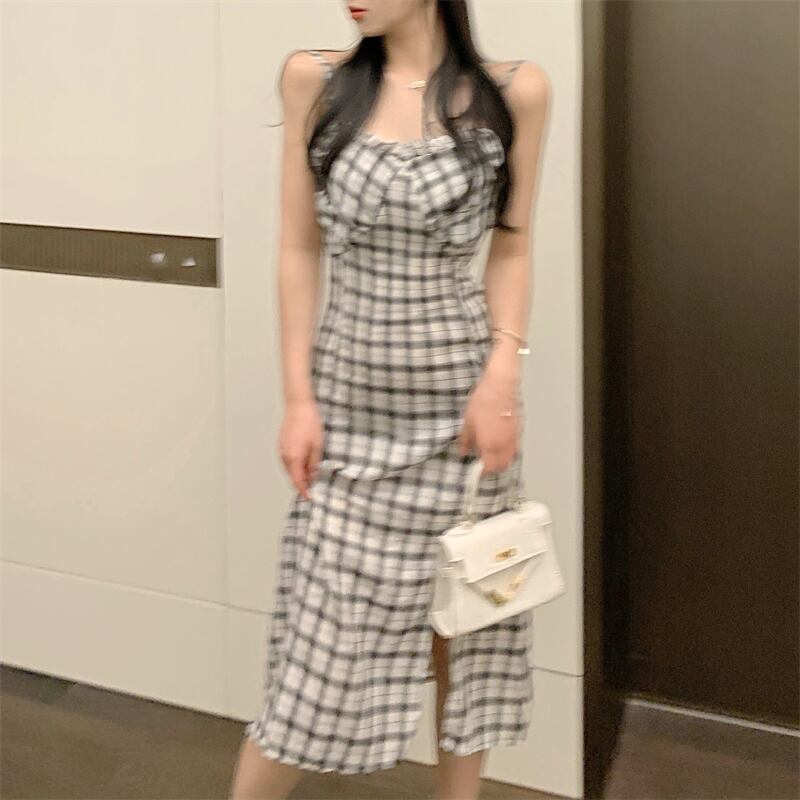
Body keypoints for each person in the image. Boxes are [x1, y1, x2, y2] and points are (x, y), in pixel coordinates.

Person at [230, 1, 549, 798]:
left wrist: (503, 375)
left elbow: (512, 245)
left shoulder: (516, 91)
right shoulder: (315, 80)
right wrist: (298, 399)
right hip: (349, 410)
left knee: (466, 626)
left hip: (462, 411)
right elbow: (297, 246)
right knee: (318, 655)